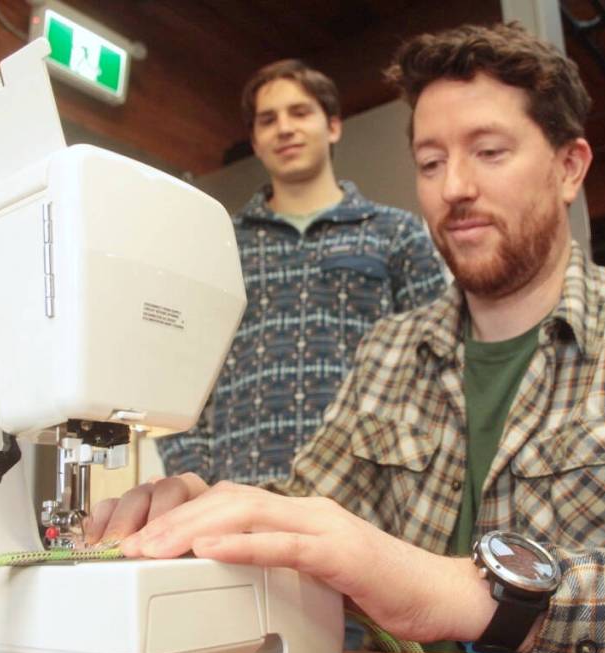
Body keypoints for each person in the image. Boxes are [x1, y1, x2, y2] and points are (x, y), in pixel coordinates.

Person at [87, 23, 605, 653]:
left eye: (489, 153)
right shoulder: (392, 352)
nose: (453, 187)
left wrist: (484, 593)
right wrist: (209, 513)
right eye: (430, 163)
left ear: (570, 168)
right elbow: (307, 515)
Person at [155, 59, 446, 486]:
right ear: (255, 141)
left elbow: (440, 365)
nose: (284, 128)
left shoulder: (397, 234)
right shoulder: (216, 245)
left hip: (369, 496)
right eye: (268, 120)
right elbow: (176, 369)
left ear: (333, 127)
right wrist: (196, 476)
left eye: (300, 112)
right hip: (242, 495)